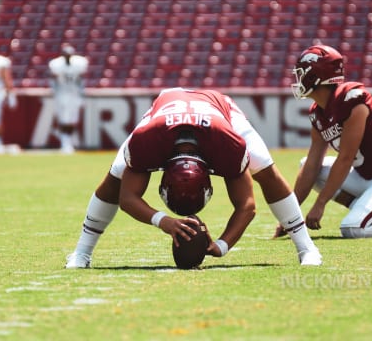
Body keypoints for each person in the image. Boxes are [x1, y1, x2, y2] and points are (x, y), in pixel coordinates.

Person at [65, 87, 323, 269]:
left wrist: (222, 245)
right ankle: (82, 252)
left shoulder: (227, 144)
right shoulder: (149, 140)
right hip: (164, 110)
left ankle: (306, 248)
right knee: (115, 177)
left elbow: (247, 205)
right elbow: (127, 197)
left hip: (220, 112)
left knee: (266, 171)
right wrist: (163, 221)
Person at [284, 44, 372, 239]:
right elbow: (311, 165)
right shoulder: (317, 113)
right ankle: (361, 206)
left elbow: (346, 158)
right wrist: (290, 216)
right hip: (363, 176)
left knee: (353, 228)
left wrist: (320, 203)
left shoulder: (352, 100)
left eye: (301, 73)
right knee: (305, 164)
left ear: (314, 76)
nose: (298, 79)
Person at [48, 44, 88, 154]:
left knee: (72, 120)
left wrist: (81, 93)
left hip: (74, 94)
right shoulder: (56, 64)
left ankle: (68, 142)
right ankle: (65, 143)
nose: (68, 57)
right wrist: (54, 92)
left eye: (69, 55)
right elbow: (53, 79)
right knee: (63, 119)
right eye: (66, 55)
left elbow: (80, 79)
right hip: (62, 93)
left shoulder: (78, 64)